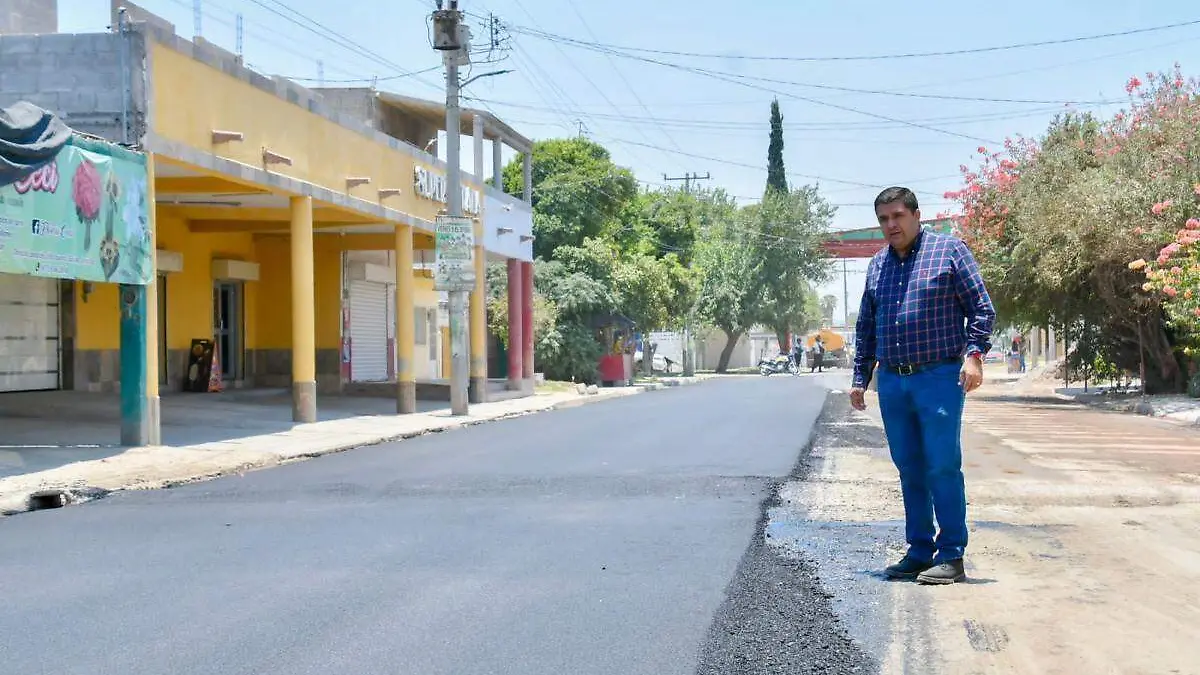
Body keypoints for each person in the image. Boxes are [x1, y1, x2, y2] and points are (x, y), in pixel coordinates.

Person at [850, 187, 996, 585]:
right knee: (909, 467)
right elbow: (866, 326)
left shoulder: (949, 252)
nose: (891, 225)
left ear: (917, 215)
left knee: (941, 464)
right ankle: (918, 552)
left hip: (938, 378)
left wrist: (974, 355)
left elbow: (981, 309)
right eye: (884, 219)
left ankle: (951, 555)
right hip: (893, 381)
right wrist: (860, 378)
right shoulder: (878, 265)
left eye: (898, 216)